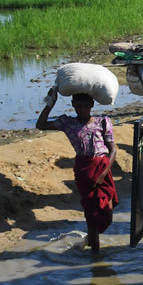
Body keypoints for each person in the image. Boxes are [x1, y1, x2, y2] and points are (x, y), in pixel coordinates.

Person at [36, 89, 115, 255]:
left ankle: (91, 239)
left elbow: (113, 150)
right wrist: (50, 103)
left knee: (107, 214)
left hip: (102, 169)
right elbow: (40, 125)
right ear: (73, 105)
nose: (82, 109)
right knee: (92, 216)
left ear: (91, 105)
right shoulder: (68, 123)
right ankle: (95, 255)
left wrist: (102, 174)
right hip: (84, 171)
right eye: (78, 106)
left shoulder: (102, 122)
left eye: (86, 106)